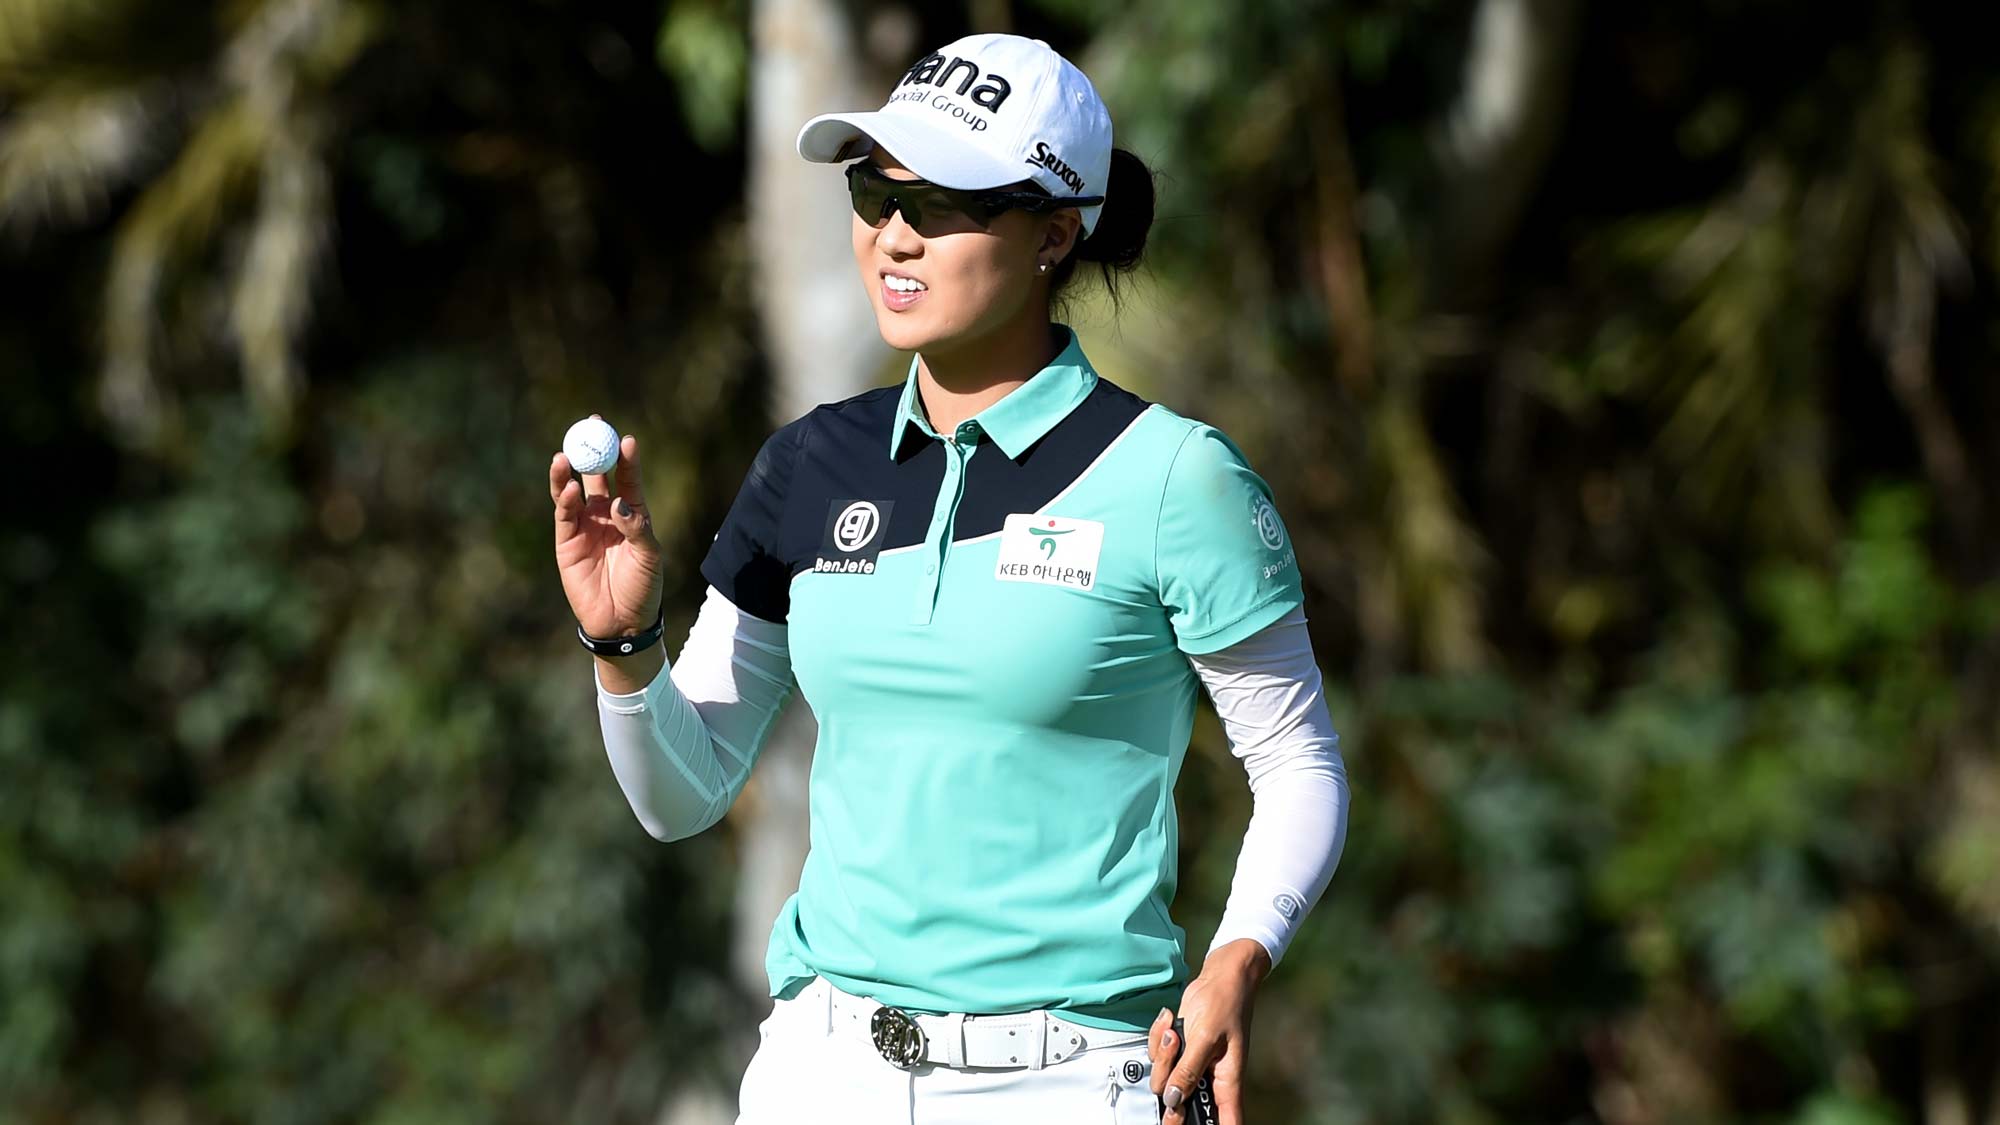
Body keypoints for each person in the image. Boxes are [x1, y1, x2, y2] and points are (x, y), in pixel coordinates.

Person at [548, 32, 1349, 1125]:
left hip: (1070, 1082)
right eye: (874, 194)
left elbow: (1297, 765)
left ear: (1054, 235)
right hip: (820, 1074)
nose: (891, 237)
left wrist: (1234, 962)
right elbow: (680, 796)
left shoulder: (1174, 477)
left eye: (939, 205)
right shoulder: (806, 465)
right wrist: (622, 645)